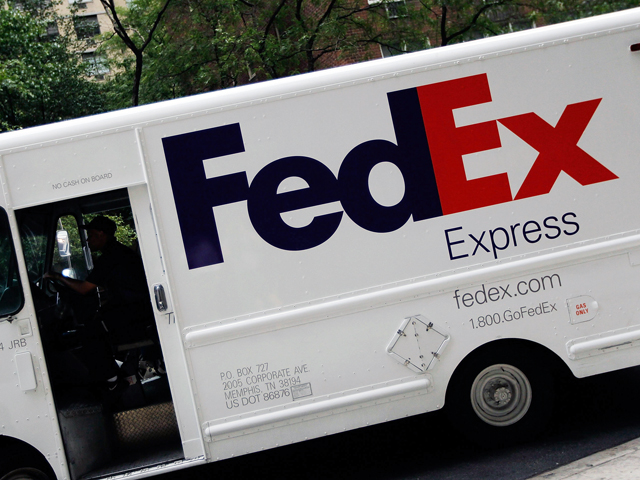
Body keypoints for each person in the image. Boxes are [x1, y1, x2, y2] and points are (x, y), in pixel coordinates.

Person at [45, 216, 154, 394]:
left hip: (135, 314)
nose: (88, 240)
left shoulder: (111, 257)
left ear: (101, 234)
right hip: (136, 309)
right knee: (94, 324)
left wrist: (58, 277)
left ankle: (112, 380)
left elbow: (83, 288)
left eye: (91, 235)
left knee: (90, 332)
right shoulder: (117, 253)